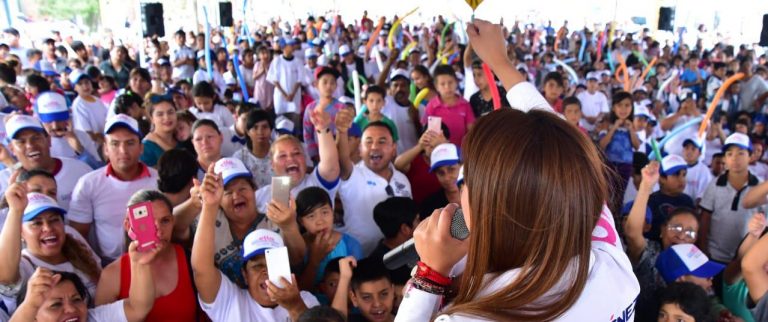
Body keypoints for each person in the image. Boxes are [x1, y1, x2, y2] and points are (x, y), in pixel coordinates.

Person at [395, 20, 639, 321]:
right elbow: (559, 144)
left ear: (495, 213)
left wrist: (429, 278)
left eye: (468, 182)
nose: (458, 195)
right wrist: (500, 62)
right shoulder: (607, 259)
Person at [192, 164, 318, 321]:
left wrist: (295, 306)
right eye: (257, 266)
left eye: (273, 262)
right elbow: (201, 270)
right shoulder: (230, 301)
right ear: (244, 275)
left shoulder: (306, 301)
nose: (266, 272)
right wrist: (210, 206)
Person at [94, 190, 198, 322]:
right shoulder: (112, 275)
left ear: (173, 222)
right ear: (128, 225)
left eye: (165, 221)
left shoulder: (192, 260)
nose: (158, 229)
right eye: (149, 222)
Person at [68, 114, 160, 265]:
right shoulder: (88, 184)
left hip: (153, 259)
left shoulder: (158, 181)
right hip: (108, 264)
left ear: (141, 148)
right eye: (115, 144)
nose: (123, 150)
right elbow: (77, 237)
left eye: (130, 143)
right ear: (105, 149)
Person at [0, 184, 101, 315]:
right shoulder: (24, 265)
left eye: (54, 220)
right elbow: (4, 276)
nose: (48, 228)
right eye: (37, 223)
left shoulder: (79, 250)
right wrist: (16, 211)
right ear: (21, 232)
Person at [624, 161, 701, 321]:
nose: (682, 236)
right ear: (662, 230)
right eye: (676, 228)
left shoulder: (698, 262)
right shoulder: (651, 252)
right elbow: (632, 233)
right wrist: (646, 186)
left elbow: (710, 300)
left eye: (690, 232)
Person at [336, 118, 413, 255]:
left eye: (382, 141)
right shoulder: (352, 176)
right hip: (360, 259)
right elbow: (342, 160)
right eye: (369, 141)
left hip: (399, 257)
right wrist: (341, 132)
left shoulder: (402, 179)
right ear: (360, 149)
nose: (374, 146)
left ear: (394, 148)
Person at [254, 107, 340, 215]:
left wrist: (323, 129)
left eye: (296, 153)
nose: (290, 158)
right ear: (272, 164)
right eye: (282, 156)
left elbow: (330, 166)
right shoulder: (261, 196)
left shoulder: (317, 183)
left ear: (304, 159)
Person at [0, 115, 93, 211]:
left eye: (36, 138)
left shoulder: (79, 169)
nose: (30, 145)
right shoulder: (3, 181)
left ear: (49, 140)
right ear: (12, 149)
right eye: (21, 142)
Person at [699, 133, 760, 263]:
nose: (734, 158)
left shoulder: (759, 187)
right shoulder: (715, 184)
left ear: (751, 156)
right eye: (729, 154)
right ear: (725, 159)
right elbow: (705, 217)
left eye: (741, 153)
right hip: (715, 254)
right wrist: (703, 247)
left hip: (746, 256)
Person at [296, 187, 363, 290]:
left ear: (332, 211)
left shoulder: (350, 244)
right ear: (301, 221)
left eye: (325, 212)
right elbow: (300, 291)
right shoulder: (298, 247)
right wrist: (314, 260)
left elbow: (358, 286)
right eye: (311, 216)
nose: (320, 221)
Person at [368, 197, 420, 285]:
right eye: (417, 219)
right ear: (405, 229)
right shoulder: (378, 265)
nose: (421, 222)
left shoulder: (419, 246)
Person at [422, 65, 475, 148]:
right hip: (440, 152)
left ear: (456, 82)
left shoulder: (465, 105)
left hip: (462, 152)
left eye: (450, 82)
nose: (447, 87)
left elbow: (471, 131)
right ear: (436, 86)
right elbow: (428, 134)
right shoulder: (432, 106)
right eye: (442, 84)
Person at [303, 66, 346, 161]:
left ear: (336, 86)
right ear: (316, 84)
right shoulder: (311, 108)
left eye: (332, 82)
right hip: (318, 155)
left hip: (337, 153)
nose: (329, 86)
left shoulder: (342, 107)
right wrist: (314, 154)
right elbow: (307, 133)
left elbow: (345, 133)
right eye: (325, 82)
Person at [267, 37, 307, 132]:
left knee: (294, 120)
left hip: (294, 96)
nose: (292, 47)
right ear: (284, 47)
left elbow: (300, 79)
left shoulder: (298, 61)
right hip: (281, 96)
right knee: (281, 120)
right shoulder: (277, 61)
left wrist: (292, 94)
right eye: (290, 45)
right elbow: (274, 80)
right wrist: (284, 94)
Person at [420, 143, 461, 218]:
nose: (447, 177)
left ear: (462, 166)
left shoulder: (480, 194)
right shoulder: (430, 205)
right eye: (441, 173)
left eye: (451, 169)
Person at [69, 69, 108, 145]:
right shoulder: (78, 105)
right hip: (93, 147)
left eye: (87, 82)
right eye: (80, 84)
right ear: (75, 88)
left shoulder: (97, 100)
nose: (85, 86)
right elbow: (87, 133)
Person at [139, 94, 178, 167]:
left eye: (170, 112)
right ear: (152, 119)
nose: (166, 117)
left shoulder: (181, 138)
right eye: (160, 114)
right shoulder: (146, 147)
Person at [681, 138, 713, 204]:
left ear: (699, 153)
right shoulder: (676, 167)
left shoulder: (704, 171)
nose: (689, 151)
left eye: (693, 149)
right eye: (686, 148)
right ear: (682, 151)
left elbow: (703, 196)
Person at [252, 46, 275, 110]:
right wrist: (261, 71)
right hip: (260, 88)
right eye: (263, 53)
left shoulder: (272, 64)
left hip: (269, 88)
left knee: (269, 106)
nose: (265, 55)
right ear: (259, 56)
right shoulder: (257, 64)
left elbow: (272, 78)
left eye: (267, 53)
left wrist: (266, 69)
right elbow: (254, 77)